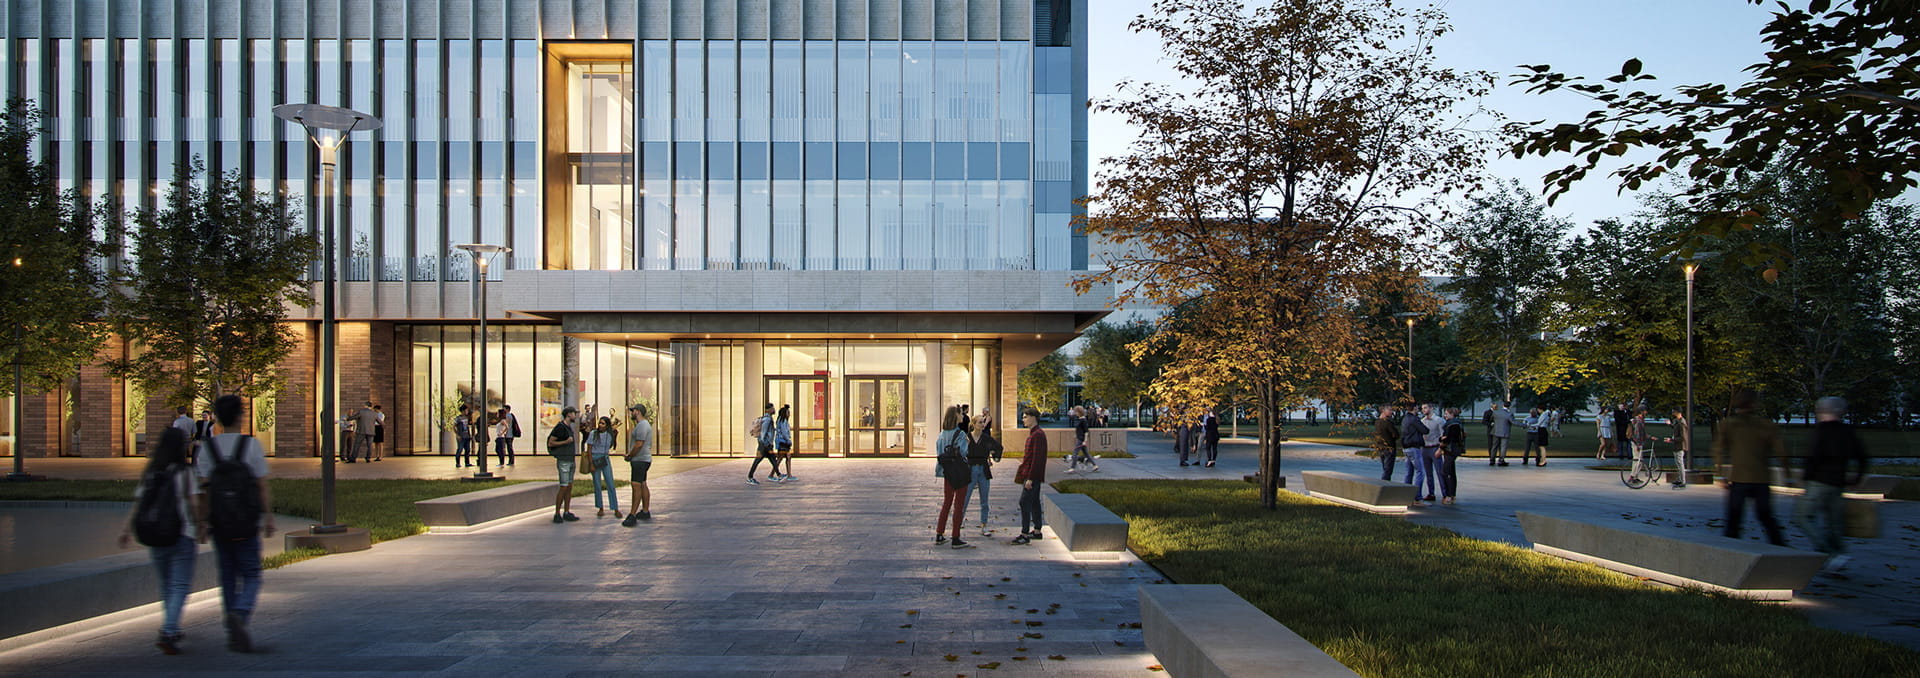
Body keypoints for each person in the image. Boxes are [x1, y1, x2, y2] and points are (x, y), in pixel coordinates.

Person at [195, 395, 274, 653]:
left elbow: (204, 491)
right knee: (251, 574)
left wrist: (202, 522)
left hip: (220, 522)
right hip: (246, 521)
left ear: (216, 417)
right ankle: (240, 613)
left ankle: (231, 630)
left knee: (227, 576)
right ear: (241, 416)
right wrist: (268, 517)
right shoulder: (250, 446)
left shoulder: (207, 449)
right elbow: (261, 486)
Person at [119, 428, 201, 655]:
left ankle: (171, 626)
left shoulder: (152, 471)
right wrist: (201, 526)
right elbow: (193, 504)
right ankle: (169, 629)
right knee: (180, 585)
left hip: (156, 535)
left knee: (166, 584)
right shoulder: (184, 472)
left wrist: (126, 530)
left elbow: (139, 503)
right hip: (182, 534)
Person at [1795, 397, 1870, 568]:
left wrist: (1805, 477)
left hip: (1818, 481)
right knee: (1834, 522)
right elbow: (1861, 456)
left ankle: (1827, 551)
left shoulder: (1821, 431)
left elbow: (1814, 456)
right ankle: (1839, 554)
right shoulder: (1847, 431)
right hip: (1838, 482)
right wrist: (1856, 477)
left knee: (1802, 517)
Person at [1711, 389, 1787, 546]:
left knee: (1734, 517)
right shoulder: (1766, 426)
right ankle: (1780, 546)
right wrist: (1788, 474)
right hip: (1761, 477)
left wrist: (1719, 474)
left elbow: (1718, 450)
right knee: (1766, 516)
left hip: (1739, 477)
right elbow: (1782, 452)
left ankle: (1730, 549)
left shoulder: (1729, 425)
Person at [934, 405, 974, 548]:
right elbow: (963, 453)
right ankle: (956, 537)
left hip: (947, 472)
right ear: (955, 416)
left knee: (947, 502)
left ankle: (939, 533)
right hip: (959, 472)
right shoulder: (961, 434)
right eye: (961, 414)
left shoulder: (942, 434)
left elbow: (939, 452)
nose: (963, 416)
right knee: (959, 504)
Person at [1011, 408, 1047, 545]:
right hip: (1032, 474)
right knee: (1034, 501)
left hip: (1032, 475)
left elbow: (1037, 459)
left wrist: (1030, 478)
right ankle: (1037, 530)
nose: (1023, 419)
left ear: (1033, 417)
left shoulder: (1037, 435)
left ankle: (1024, 534)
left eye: (1025, 417)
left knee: (1024, 501)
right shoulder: (1035, 434)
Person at [967, 407, 1002, 535]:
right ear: (974, 424)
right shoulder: (967, 438)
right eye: (980, 422)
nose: (982, 424)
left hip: (983, 469)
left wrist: (994, 456)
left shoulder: (986, 438)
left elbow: (998, 448)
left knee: (984, 500)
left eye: (983, 422)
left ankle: (984, 525)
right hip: (970, 469)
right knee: (965, 498)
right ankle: (958, 524)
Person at [621, 403, 655, 526]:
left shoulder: (642, 426)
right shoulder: (643, 425)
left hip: (639, 460)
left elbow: (639, 444)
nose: (631, 413)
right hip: (644, 459)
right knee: (643, 484)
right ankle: (645, 511)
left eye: (633, 411)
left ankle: (632, 514)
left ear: (638, 412)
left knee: (636, 485)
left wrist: (630, 455)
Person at [547, 406, 581, 523]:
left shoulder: (568, 427)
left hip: (570, 460)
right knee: (564, 486)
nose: (575, 416)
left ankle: (566, 511)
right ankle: (557, 513)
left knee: (569, 487)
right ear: (568, 414)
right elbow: (551, 442)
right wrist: (565, 442)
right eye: (574, 413)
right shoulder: (560, 427)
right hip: (564, 461)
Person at [585, 416, 620, 519]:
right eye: (600, 423)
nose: (600, 425)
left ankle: (615, 507)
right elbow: (589, 449)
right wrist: (591, 464)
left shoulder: (609, 434)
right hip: (595, 458)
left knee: (610, 482)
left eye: (603, 423)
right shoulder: (593, 434)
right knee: (597, 483)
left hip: (605, 458)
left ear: (607, 425)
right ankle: (600, 507)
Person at [1398, 403, 1429, 506]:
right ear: (1415, 408)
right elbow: (1425, 430)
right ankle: (1417, 497)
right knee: (1420, 472)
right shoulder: (1414, 419)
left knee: (1408, 472)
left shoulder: (1405, 419)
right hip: (1414, 447)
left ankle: (1406, 496)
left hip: (1406, 447)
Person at [1438, 407, 1467, 505]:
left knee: (1445, 472)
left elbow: (1450, 438)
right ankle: (1452, 494)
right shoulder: (1456, 423)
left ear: (1452, 414)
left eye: (1446, 414)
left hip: (1451, 450)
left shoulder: (1453, 425)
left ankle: (1448, 495)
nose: (1445, 415)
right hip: (1453, 449)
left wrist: (1442, 441)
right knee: (1451, 472)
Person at [1416, 403, 1443, 502]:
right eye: (1422, 408)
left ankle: (1445, 494)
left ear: (1431, 408)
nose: (1423, 410)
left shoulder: (1438, 421)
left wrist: (1440, 449)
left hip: (1435, 447)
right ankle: (1431, 493)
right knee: (1428, 473)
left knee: (1440, 472)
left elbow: (1443, 435)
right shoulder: (1422, 421)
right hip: (1425, 448)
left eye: (1425, 408)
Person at [747, 403, 778, 484]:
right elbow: (763, 433)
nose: (774, 410)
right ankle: (750, 477)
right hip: (764, 445)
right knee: (758, 460)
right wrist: (765, 444)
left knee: (773, 459)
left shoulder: (768, 418)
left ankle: (779, 474)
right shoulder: (767, 419)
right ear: (768, 410)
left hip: (766, 444)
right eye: (772, 408)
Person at [1665, 409, 1691, 487]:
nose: (1673, 413)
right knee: (1678, 463)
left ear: (1678, 412)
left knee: (1680, 463)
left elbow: (1682, 437)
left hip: (1680, 445)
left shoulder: (1682, 422)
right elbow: (1675, 428)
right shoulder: (1677, 421)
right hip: (1676, 445)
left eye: (1674, 412)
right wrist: (1670, 424)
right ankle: (1680, 479)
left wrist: (1672, 439)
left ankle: (1683, 481)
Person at [1067, 405, 1097, 472]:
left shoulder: (1083, 420)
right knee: (1086, 454)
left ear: (1079, 412)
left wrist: (1085, 440)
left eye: (1076, 412)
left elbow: (1086, 431)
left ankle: (1072, 467)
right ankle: (1094, 465)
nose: (1075, 413)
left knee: (1075, 453)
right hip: (1080, 438)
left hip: (1081, 439)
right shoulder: (1080, 419)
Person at [1372, 405, 1399, 481]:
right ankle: (1384, 484)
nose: (1391, 412)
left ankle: (1386, 483)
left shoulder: (1377, 422)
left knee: (1385, 468)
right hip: (1389, 447)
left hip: (1381, 447)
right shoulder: (1387, 423)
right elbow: (1396, 435)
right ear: (1383, 411)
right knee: (1388, 470)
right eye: (1389, 410)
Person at [771, 404, 796, 482]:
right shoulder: (783, 421)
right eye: (788, 412)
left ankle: (786, 474)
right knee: (785, 457)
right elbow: (784, 432)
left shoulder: (779, 420)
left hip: (781, 442)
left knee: (782, 458)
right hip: (784, 442)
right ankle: (788, 475)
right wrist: (788, 441)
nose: (789, 414)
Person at [1488, 402, 1513, 467]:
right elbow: (1513, 421)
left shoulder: (1496, 412)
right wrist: (1524, 425)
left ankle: (1492, 460)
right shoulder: (1509, 414)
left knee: (1494, 446)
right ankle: (1501, 460)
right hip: (1504, 432)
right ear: (1509, 406)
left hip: (1495, 431)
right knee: (1503, 447)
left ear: (1503, 405)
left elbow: (1491, 419)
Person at [453, 403, 474, 468]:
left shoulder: (467, 418)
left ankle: (467, 462)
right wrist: (457, 434)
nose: (467, 412)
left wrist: (470, 435)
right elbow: (454, 426)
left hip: (467, 436)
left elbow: (467, 427)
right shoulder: (458, 418)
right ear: (462, 411)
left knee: (467, 450)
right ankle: (457, 463)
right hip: (461, 436)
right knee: (460, 449)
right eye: (466, 410)